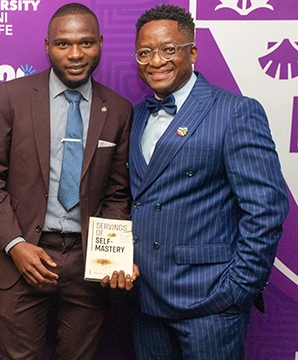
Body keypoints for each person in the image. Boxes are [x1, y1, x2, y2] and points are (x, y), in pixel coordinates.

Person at [0, 3, 137, 359]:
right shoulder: (13, 97)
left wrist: (108, 259)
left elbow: (116, 194)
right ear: (48, 45)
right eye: (63, 44)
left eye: (86, 43)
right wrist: (15, 245)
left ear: (101, 43)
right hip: (24, 256)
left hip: (86, 263)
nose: (76, 54)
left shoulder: (119, 108)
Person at [128, 5, 288, 359]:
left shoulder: (234, 112)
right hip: (146, 302)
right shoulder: (135, 117)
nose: (156, 61)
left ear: (192, 52)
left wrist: (237, 290)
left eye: (169, 49)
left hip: (210, 304)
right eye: (145, 52)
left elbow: (266, 208)